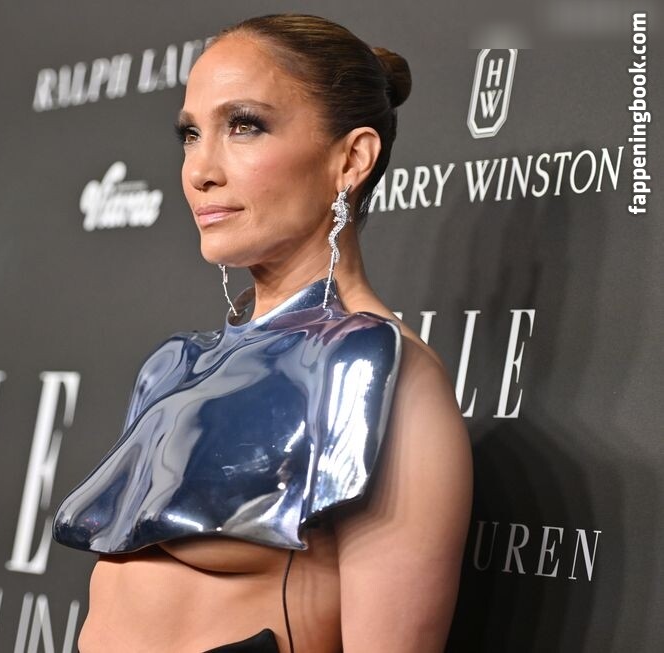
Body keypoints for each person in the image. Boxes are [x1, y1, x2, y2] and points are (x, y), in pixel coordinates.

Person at [54, 14, 473, 653]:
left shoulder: (380, 375)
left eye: (244, 126)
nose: (200, 170)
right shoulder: (174, 366)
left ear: (352, 159)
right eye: (191, 134)